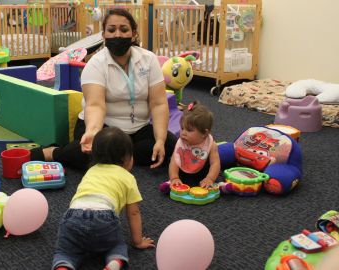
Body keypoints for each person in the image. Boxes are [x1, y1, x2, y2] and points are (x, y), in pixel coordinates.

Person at [31, 9, 176, 171]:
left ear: (134, 33)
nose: (118, 35)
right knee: (91, 154)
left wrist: (160, 140)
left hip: (138, 129)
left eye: (124, 29)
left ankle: (118, 155)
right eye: (112, 30)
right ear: (104, 35)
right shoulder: (96, 64)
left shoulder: (149, 60)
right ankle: (54, 152)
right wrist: (93, 132)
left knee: (171, 145)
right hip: (103, 126)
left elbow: (158, 103)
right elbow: (95, 105)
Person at [52, 127, 155, 270]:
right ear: (126, 158)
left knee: (65, 252)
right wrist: (137, 242)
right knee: (117, 246)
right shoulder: (128, 178)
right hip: (104, 218)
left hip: (73, 216)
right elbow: (133, 213)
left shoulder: (91, 171)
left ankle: (63, 266)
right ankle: (114, 262)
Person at [161, 101, 220, 190]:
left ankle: (219, 185)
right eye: (182, 128)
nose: (183, 133)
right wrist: (174, 178)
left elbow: (215, 163)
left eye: (189, 130)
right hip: (183, 172)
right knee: (174, 167)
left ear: (204, 133)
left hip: (203, 172)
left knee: (215, 170)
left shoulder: (211, 145)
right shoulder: (181, 142)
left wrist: (210, 178)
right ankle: (170, 184)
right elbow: (174, 161)